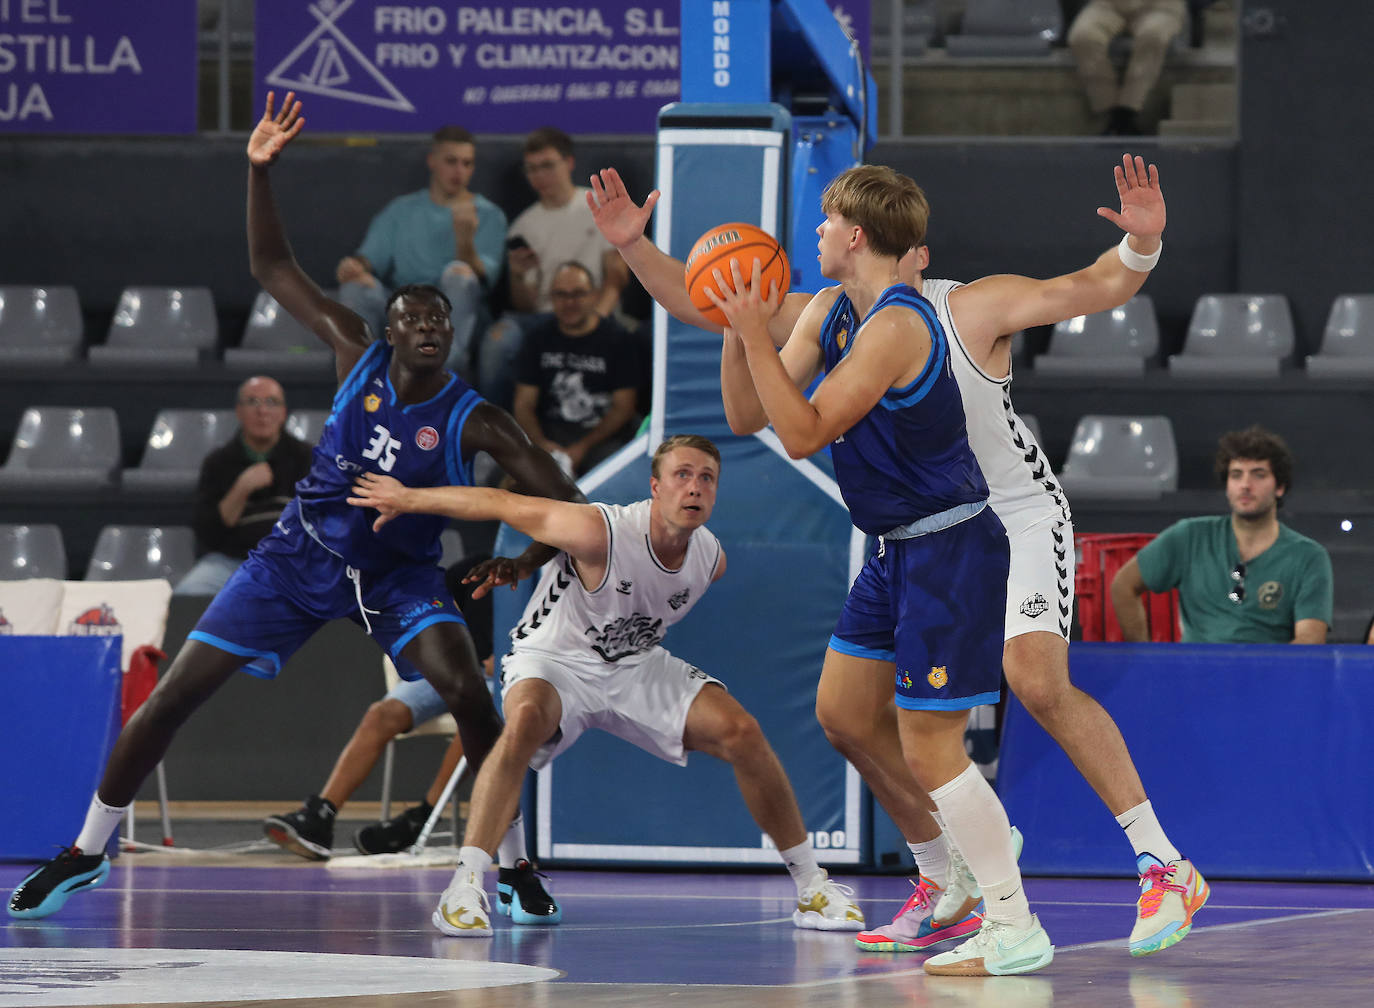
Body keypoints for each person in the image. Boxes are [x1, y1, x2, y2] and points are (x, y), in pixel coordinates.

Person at [588, 154, 1205, 960]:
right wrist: (636, 247)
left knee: (1034, 681)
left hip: (1007, 514)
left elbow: (1091, 286)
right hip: (909, 532)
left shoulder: (961, 308)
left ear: (892, 244)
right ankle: (950, 866)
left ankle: (1159, 862)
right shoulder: (827, 310)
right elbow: (718, 303)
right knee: (846, 715)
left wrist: (1144, 245)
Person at [6, 92, 580, 922]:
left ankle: (514, 867)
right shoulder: (355, 352)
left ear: (450, 335)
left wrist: (537, 553)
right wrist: (258, 170)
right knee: (172, 696)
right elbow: (272, 269)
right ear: (387, 329)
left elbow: (560, 496)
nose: (426, 327)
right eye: (412, 317)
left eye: (439, 321)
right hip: (296, 556)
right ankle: (85, 851)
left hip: (399, 577)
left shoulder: (475, 418)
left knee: (472, 700)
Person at [347, 434, 868, 939]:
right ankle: (464, 888)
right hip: (554, 658)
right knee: (524, 722)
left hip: (631, 664)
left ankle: (812, 888)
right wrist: (408, 497)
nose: (694, 487)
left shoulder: (710, 560)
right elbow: (501, 501)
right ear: (655, 486)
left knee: (742, 732)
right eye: (682, 475)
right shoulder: (602, 530)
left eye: (707, 478)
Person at [262, 554, 493, 860]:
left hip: (507, 679)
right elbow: (434, 612)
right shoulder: (475, 568)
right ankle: (321, 815)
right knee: (381, 715)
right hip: (460, 670)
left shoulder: (546, 580)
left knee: (477, 718)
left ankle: (422, 817)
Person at [1111, 425, 1333, 643]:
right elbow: (1123, 586)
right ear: (1227, 485)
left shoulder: (1309, 556)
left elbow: (1310, 639)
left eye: (1258, 475)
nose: (1245, 485)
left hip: (1269, 677)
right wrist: (1144, 661)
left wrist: (1272, 676)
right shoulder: (1189, 535)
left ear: (1280, 487)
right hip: (1195, 677)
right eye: (1236, 475)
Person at [336, 124, 507, 377]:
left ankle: (442, 374)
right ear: (432, 161)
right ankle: (363, 384)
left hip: (457, 316)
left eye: (467, 163)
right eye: (451, 161)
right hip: (403, 310)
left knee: (458, 274)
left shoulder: (489, 215)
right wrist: (355, 267)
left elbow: (482, 280)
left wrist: (464, 241)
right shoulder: (401, 210)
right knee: (354, 287)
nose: (459, 171)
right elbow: (369, 258)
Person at [478, 127, 629, 409]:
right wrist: (519, 275)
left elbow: (617, 275)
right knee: (498, 340)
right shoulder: (523, 226)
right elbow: (526, 305)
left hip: (596, 310)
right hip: (546, 318)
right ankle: (492, 427)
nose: (540, 176)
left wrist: (597, 318)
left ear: (569, 163)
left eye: (547, 165)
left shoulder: (597, 206)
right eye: (532, 169)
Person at [174, 375, 313, 597]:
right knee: (188, 593)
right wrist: (241, 489)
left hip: (291, 561)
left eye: (271, 402)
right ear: (239, 412)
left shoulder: (307, 458)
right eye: (252, 402)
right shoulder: (218, 462)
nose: (262, 411)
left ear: (283, 412)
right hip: (231, 562)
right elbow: (208, 533)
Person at [512, 261, 640, 476]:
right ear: (551, 298)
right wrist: (542, 444)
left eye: (578, 294)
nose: (569, 302)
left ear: (594, 295)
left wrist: (583, 447)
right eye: (561, 295)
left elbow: (624, 407)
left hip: (601, 437)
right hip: (548, 432)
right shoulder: (537, 338)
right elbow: (523, 404)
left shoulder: (619, 340)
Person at [1067, 0, 1190, 136]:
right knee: (1082, 36)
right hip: (1109, 5)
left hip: (1160, 6)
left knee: (1153, 35)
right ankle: (1111, 111)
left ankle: (1127, 112)